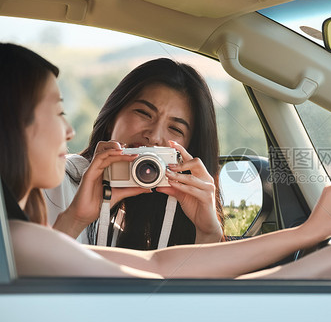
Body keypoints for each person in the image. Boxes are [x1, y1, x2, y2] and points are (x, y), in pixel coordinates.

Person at [0, 43, 331, 279]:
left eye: (176, 129)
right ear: (13, 127)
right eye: (57, 112)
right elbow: (173, 287)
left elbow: (163, 265)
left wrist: (309, 234)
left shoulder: (16, 234)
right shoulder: (19, 237)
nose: (70, 131)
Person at [44, 58, 224, 249]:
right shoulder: (56, 180)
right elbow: (26, 272)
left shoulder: (151, 219)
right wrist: (74, 219)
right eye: (144, 113)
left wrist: (207, 233)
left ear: (188, 151)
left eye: (175, 128)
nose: (154, 137)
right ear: (112, 118)